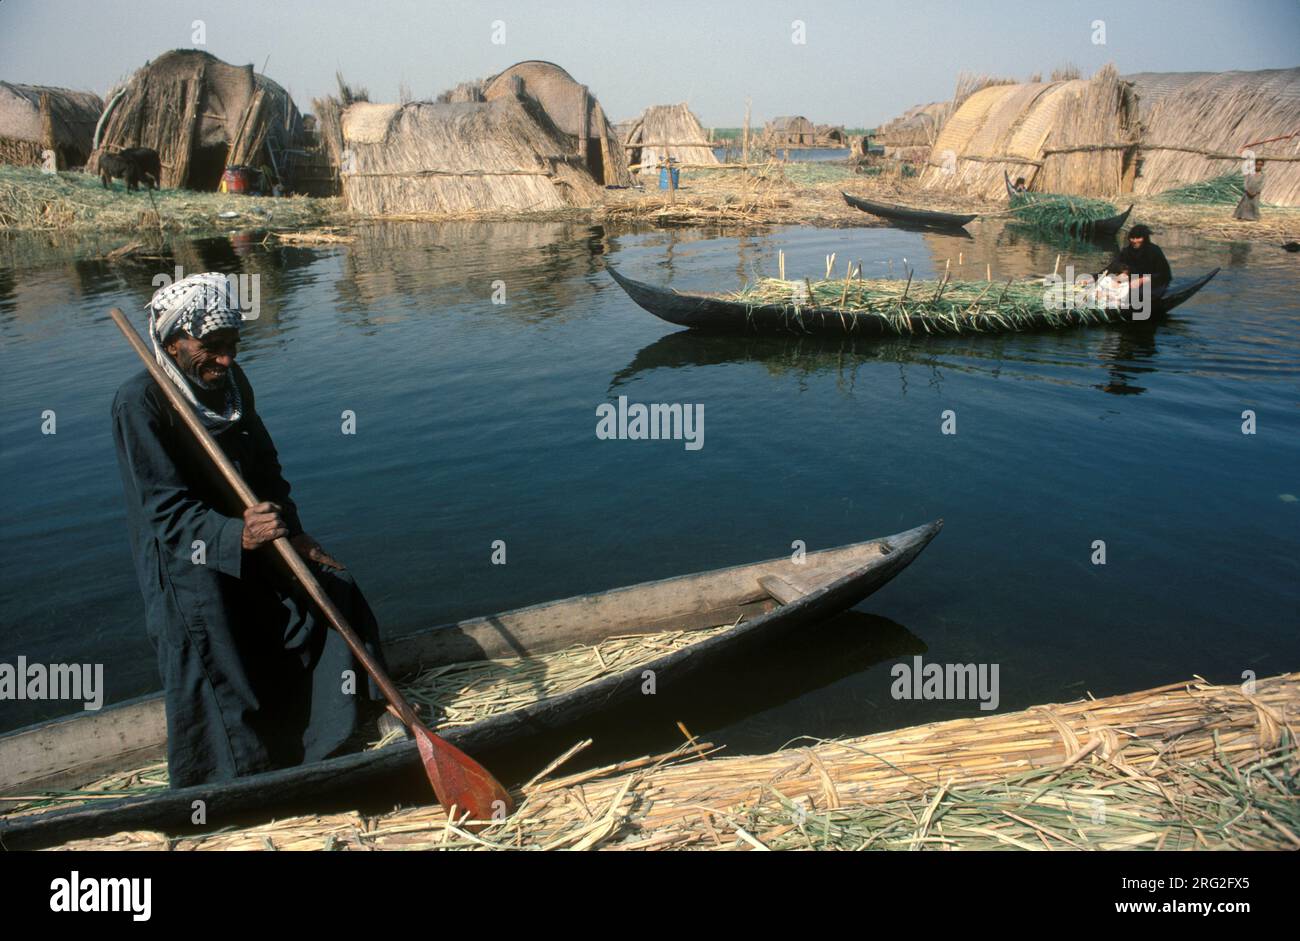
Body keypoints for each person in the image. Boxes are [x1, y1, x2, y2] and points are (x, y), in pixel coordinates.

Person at [112, 272, 391, 788]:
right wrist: (234, 536)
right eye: (210, 347)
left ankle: (326, 739)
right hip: (191, 560)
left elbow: (265, 470)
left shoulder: (233, 386)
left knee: (331, 589)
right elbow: (165, 510)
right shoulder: (141, 404)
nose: (225, 359)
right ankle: (235, 789)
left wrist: (294, 532)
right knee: (220, 671)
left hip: (259, 538)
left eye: (232, 346)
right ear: (172, 342)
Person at [1103, 224, 1172, 300]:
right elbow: (1111, 267)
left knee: (1135, 294)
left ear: (1145, 238)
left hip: (1155, 283)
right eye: (1132, 238)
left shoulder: (1154, 251)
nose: (1135, 241)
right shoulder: (1126, 252)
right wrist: (1094, 278)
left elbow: (1164, 274)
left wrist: (1142, 280)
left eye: (1138, 238)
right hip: (1133, 282)